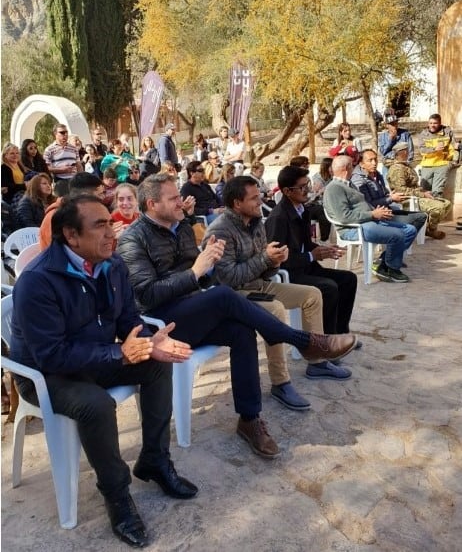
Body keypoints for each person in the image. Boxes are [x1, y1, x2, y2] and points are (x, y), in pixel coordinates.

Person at [117, 174, 358, 457]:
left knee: (241, 331)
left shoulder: (180, 227)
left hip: (195, 309)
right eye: (173, 198)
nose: (180, 202)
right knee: (223, 294)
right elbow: (147, 296)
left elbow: (202, 278)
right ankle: (304, 341)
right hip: (163, 326)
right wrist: (196, 271)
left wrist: (207, 269)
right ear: (152, 204)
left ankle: (249, 419)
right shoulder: (133, 239)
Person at [10, 195, 198, 547]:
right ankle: (117, 494)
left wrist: (147, 342)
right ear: (71, 235)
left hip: (97, 356)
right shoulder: (37, 281)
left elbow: (128, 321)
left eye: (110, 222)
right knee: (96, 405)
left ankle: (155, 461)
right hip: (45, 375)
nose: (112, 232)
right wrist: (120, 354)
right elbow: (50, 355)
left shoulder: (112, 265)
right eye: (100, 225)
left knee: (157, 366)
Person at [205, 175, 351, 397]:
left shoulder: (255, 223)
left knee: (313, 294)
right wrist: (265, 259)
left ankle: (317, 362)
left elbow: (266, 271)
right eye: (254, 198)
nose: (260, 200)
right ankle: (280, 382)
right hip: (236, 295)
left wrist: (275, 261)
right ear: (237, 203)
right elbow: (229, 279)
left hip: (260, 285)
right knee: (276, 310)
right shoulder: (221, 231)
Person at [266, 165, 358, 337]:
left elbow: (306, 244)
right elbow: (277, 259)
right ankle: (325, 340)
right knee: (328, 288)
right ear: (287, 191)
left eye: (307, 184)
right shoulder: (278, 218)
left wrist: (323, 250)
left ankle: (340, 333)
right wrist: (310, 256)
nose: (307, 190)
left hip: (307, 268)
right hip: (289, 273)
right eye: (302, 187)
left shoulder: (303, 211)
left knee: (348, 279)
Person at [323, 155, 417, 283]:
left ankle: (384, 263)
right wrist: (373, 214)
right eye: (353, 166)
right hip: (353, 229)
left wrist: (380, 211)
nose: (355, 169)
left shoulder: (349, 184)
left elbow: (361, 205)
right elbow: (344, 217)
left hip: (368, 222)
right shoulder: (334, 188)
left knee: (410, 230)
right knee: (398, 234)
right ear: (346, 168)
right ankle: (391, 269)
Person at [351, 149, 427, 234]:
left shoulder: (376, 174)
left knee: (421, 216)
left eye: (375, 159)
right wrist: (390, 199)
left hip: (387, 210)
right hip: (376, 217)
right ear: (361, 164)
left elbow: (384, 194)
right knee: (417, 220)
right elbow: (368, 205)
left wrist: (390, 196)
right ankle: (399, 241)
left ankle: (401, 241)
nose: (374, 163)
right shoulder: (359, 181)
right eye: (370, 160)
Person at [387, 143, 451, 240]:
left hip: (417, 197)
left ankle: (428, 228)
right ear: (403, 152)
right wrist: (422, 194)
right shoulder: (397, 169)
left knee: (446, 203)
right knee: (439, 208)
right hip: (407, 200)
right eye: (407, 151)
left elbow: (414, 186)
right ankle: (430, 230)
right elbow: (401, 190)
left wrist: (424, 192)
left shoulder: (406, 166)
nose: (409, 153)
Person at [39, 172, 104, 250]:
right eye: (99, 194)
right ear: (84, 194)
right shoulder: (56, 216)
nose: (102, 198)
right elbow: (63, 252)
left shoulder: (81, 210)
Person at [289, 155, 331, 243]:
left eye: (307, 165)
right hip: (301, 207)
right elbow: (304, 198)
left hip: (309, 204)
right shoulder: (293, 181)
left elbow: (309, 194)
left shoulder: (306, 179)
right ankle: (324, 239)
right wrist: (317, 193)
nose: (307, 167)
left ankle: (325, 238)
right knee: (321, 210)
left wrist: (314, 192)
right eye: (304, 166)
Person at [418, 113, 460, 197]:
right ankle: (424, 210)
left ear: (440, 123)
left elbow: (454, 147)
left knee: (437, 192)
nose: (432, 125)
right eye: (430, 123)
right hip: (427, 164)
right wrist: (434, 149)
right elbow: (422, 150)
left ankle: (437, 208)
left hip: (442, 163)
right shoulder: (424, 133)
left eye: (435, 123)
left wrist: (454, 161)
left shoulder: (447, 132)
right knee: (424, 190)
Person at [378, 109, 414, 177]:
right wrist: (391, 139)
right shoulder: (383, 136)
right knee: (388, 186)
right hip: (388, 164)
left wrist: (407, 164)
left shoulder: (405, 134)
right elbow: (383, 152)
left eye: (395, 123)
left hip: (403, 165)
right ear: (387, 125)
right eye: (392, 124)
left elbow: (410, 151)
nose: (394, 126)